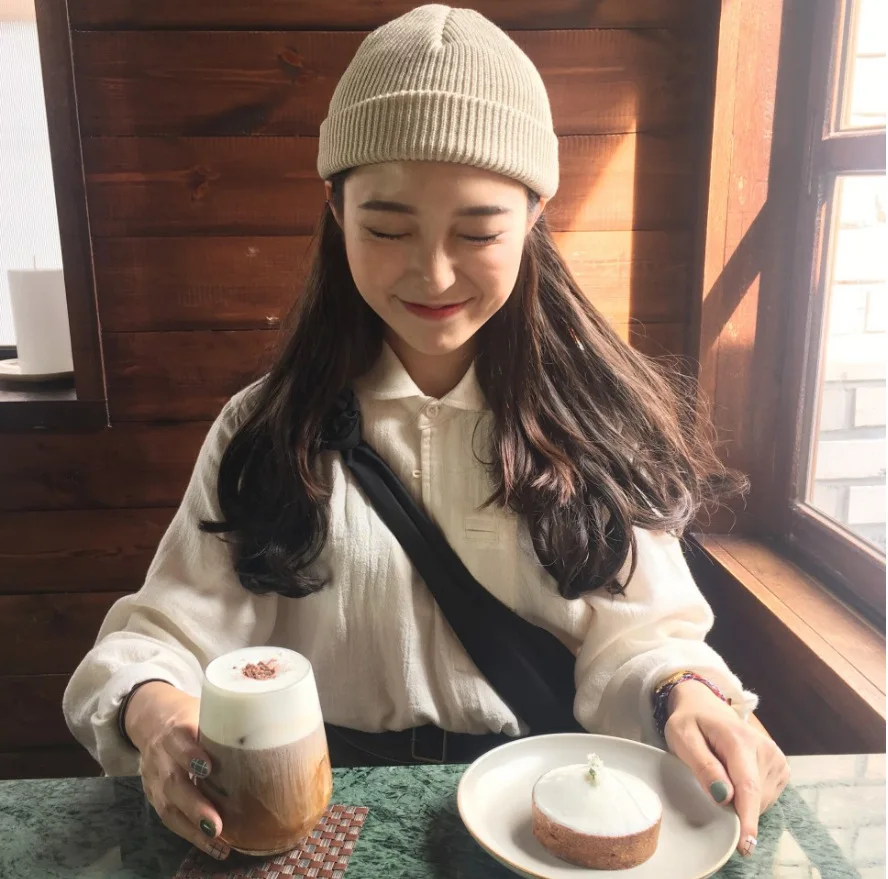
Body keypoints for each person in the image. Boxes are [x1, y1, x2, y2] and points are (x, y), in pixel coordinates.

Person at [63, 3, 789, 864]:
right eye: (387, 228)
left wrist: (688, 693)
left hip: (539, 814)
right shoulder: (265, 430)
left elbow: (647, 639)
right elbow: (161, 639)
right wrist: (156, 712)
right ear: (336, 211)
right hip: (321, 818)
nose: (434, 272)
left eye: (478, 230)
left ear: (534, 215)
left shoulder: (597, 422)